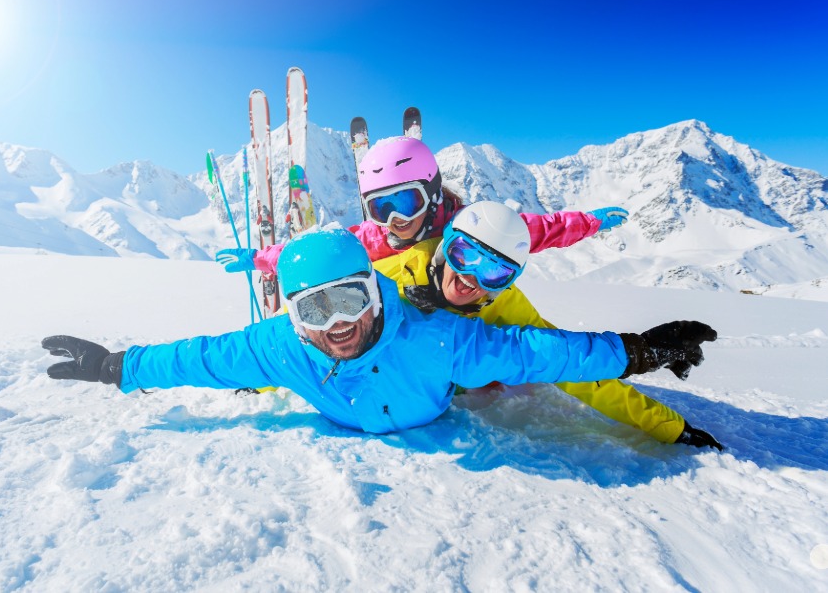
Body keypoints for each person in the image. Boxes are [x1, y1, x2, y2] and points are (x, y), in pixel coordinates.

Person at [42, 228, 718, 436]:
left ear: (377, 291)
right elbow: (201, 358)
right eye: (315, 310)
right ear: (293, 317)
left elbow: (544, 351)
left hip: (438, 397)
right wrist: (115, 367)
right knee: (244, 376)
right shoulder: (281, 347)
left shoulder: (434, 336)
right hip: (350, 402)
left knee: (499, 374)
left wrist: (643, 351)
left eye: (350, 300)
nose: (338, 324)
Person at [373, 200, 723, 449]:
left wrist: (668, 427)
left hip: (455, 384)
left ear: (508, 282)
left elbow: (570, 366)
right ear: (445, 246)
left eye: (493, 273)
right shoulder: (394, 276)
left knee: (497, 361)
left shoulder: (508, 306)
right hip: (395, 386)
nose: (470, 278)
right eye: (464, 255)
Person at [216, 136, 629, 273]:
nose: (397, 219)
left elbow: (537, 229)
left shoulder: (468, 225)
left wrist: (588, 222)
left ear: (432, 194)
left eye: (407, 201)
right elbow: (316, 251)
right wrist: (259, 258)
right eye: (382, 208)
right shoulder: (373, 237)